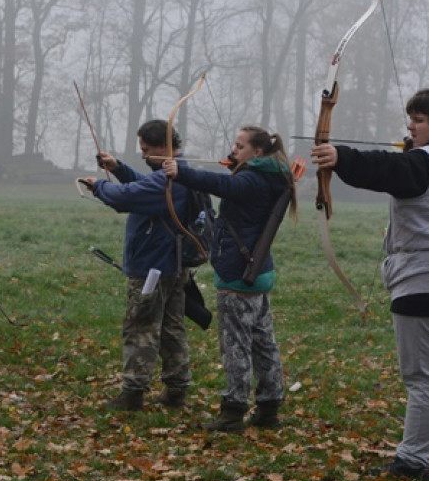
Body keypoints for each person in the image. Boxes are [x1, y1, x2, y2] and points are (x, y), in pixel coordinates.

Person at [311, 88, 429, 481]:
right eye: (411, 118)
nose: (411, 125)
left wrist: (341, 157)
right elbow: (407, 167)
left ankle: (413, 463)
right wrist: (414, 148)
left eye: (420, 120)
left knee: (426, 378)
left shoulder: (427, 162)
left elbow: (387, 170)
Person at [163, 126, 295, 431]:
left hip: (239, 274)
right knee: (263, 342)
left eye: (239, 146)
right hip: (257, 271)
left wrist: (179, 171)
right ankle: (268, 407)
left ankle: (233, 410)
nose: (233, 150)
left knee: (236, 344)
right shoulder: (269, 175)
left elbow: (219, 184)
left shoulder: (253, 180)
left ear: (257, 152)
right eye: (233, 144)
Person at [81, 120, 193, 412]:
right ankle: (177, 390)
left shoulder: (169, 180)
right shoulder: (179, 174)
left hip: (152, 268)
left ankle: (133, 393)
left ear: (162, 147)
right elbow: (141, 186)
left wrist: (100, 186)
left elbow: (127, 197)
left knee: (140, 326)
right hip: (173, 265)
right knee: (171, 328)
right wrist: (117, 168)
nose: (143, 156)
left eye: (146, 150)